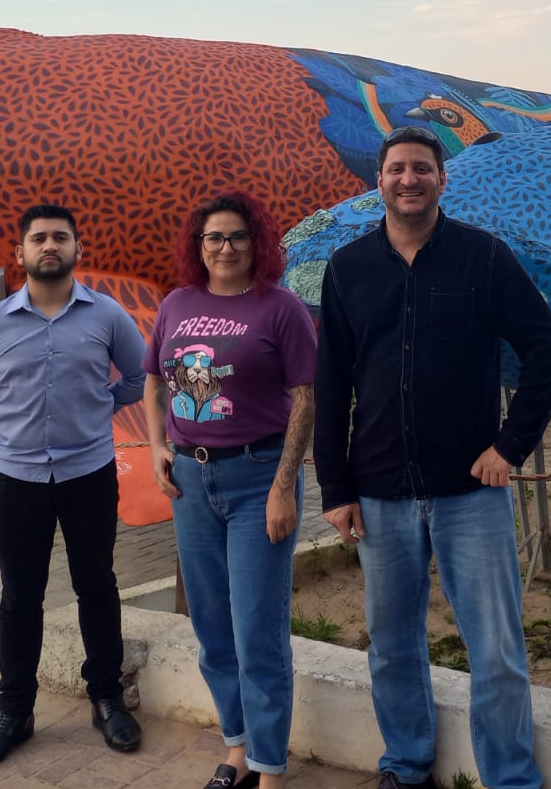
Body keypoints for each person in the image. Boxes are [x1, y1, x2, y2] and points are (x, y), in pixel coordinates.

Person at [314, 124, 551, 789]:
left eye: (421, 168)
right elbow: (331, 384)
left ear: (441, 179)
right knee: (393, 649)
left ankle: (509, 777)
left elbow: (547, 351)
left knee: (498, 651)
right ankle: (407, 764)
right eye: (397, 168)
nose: (409, 179)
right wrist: (335, 489)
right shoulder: (347, 270)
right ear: (380, 181)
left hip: (470, 492)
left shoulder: (483, 258)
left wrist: (511, 445)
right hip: (378, 492)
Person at [0, 204, 146, 774]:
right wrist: (10, 422)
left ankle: (106, 698)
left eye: (60, 237)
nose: (49, 245)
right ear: (21, 254)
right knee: (19, 597)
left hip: (89, 475)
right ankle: (14, 713)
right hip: (18, 481)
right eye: (39, 238)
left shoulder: (107, 317)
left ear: (77, 248)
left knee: (97, 587)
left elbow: (137, 378)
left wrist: (98, 406)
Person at [143, 191, 316, 789]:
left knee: (257, 628)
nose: (224, 247)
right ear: (198, 245)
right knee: (213, 626)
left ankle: (269, 768)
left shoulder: (281, 308)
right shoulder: (176, 304)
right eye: (213, 237)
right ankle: (237, 748)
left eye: (237, 236)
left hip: (255, 479)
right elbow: (154, 380)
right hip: (191, 483)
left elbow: (305, 399)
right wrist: (157, 443)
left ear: (257, 242)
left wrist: (284, 485)